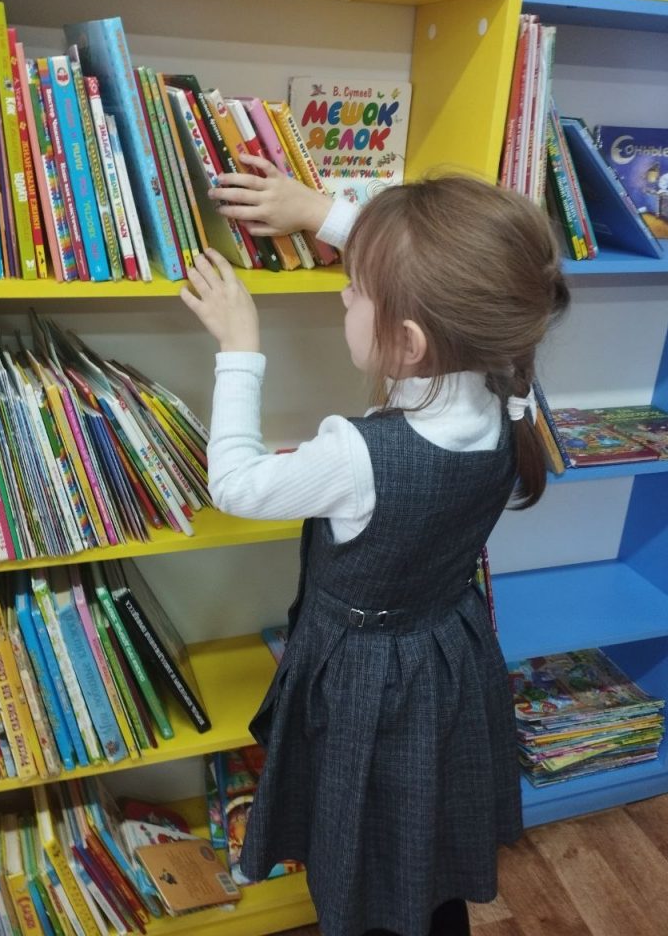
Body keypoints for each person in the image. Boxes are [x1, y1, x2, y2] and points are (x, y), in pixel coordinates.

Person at [180, 163, 570, 936]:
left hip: (367, 679)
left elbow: (237, 485)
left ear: (408, 340)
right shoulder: (500, 377)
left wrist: (239, 346)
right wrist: (318, 212)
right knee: (420, 823)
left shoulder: (357, 454)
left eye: (356, 290)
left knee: (357, 839)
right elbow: (446, 276)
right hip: (447, 658)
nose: (342, 296)